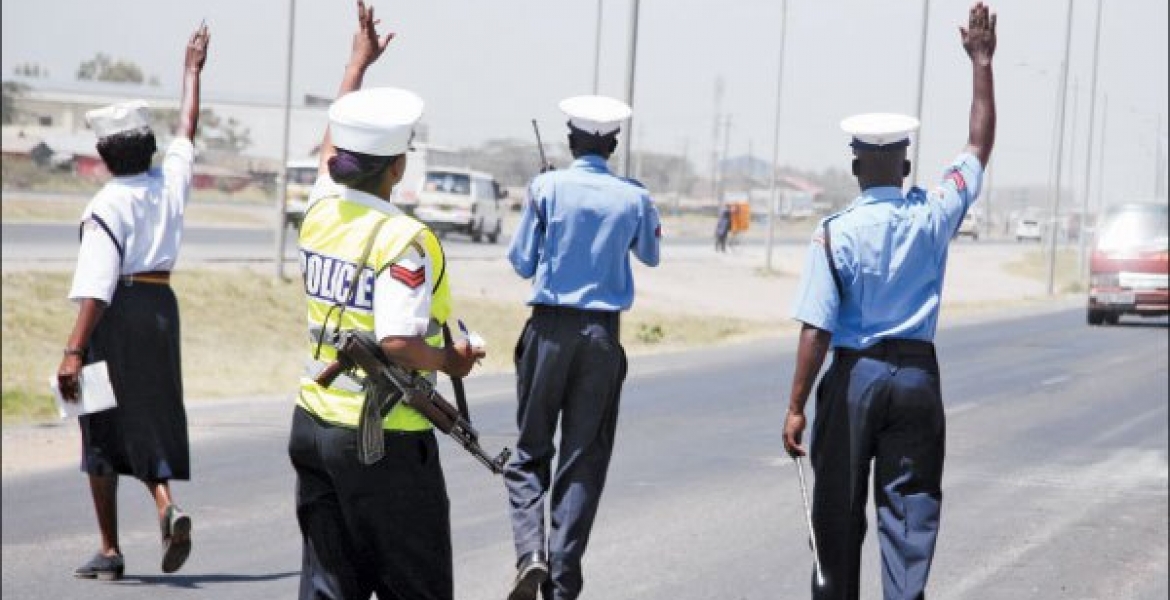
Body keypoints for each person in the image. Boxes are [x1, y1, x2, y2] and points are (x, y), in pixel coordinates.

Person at [781, 3, 996, 599]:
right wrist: (982, 63)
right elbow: (978, 145)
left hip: (854, 379)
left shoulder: (835, 230)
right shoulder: (933, 213)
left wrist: (797, 405)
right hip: (917, 380)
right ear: (905, 164)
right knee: (910, 515)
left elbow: (817, 329)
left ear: (854, 165)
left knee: (838, 514)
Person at [287, 3, 483, 599]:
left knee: (329, 586)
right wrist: (455, 361)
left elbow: (329, 146)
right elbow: (398, 340)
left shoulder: (321, 207)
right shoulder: (403, 237)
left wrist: (355, 67)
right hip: (382, 438)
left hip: (314, 422)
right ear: (397, 167)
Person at [56, 23, 209, 582]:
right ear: (147, 146)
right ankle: (166, 506)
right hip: (162, 307)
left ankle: (110, 548)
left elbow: (96, 285)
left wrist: (74, 351)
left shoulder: (104, 206)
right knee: (148, 416)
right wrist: (192, 71)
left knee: (99, 422)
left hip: (116, 314)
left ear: (102, 154)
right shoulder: (169, 182)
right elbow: (188, 126)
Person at [504, 95, 662, 600]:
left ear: (571, 142)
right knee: (582, 459)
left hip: (549, 329)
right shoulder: (634, 196)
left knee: (530, 453)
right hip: (601, 336)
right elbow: (651, 254)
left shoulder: (546, 188)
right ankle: (563, 579)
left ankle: (531, 554)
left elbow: (522, 261)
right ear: (613, 144)